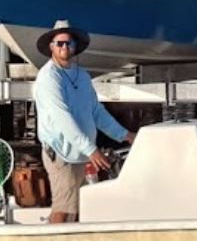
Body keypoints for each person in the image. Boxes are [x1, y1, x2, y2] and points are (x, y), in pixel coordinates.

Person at [33, 20, 135, 223]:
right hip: (61, 151)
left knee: (78, 208)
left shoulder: (82, 76)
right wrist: (91, 149)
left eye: (68, 43)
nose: (64, 47)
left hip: (80, 153)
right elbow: (62, 117)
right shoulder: (48, 77)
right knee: (64, 207)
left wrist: (124, 134)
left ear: (75, 46)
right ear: (51, 46)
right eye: (60, 43)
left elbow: (96, 111)